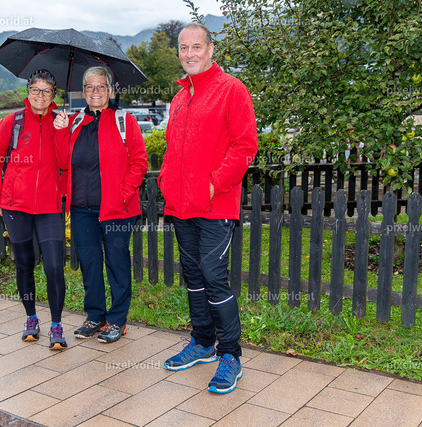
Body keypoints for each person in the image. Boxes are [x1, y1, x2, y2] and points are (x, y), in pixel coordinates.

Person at [159, 23, 258, 394]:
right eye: (183, 48)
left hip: (217, 204)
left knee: (213, 274)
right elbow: (172, 148)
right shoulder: (179, 98)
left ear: (211, 49)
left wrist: (214, 184)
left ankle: (230, 354)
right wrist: (166, 181)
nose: (190, 54)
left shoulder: (231, 89)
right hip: (181, 206)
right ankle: (202, 343)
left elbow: (245, 146)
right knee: (193, 274)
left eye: (196, 46)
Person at [53, 66, 148, 343]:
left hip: (117, 209)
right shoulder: (73, 122)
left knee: (117, 264)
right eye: (90, 87)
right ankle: (95, 316)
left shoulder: (124, 121)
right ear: (83, 92)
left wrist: (123, 193)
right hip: (82, 209)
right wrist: (60, 131)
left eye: (101, 86)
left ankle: (117, 320)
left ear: (110, 90)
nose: (95, 91)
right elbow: (62, 162)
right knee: (90, 264)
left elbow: (139, 162)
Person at [0, 69, 68, 350]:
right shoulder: (13, 122)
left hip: (49, 206)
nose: (41, 95)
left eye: (47, 91)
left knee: (54, 266)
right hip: (15, 206)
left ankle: (56, 324)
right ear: (28, 92)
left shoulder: (61, 122)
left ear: (54, 95)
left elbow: (65, 162)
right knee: (24, 263)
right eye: (36, 90)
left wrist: (61, 131)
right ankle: (31, 318)